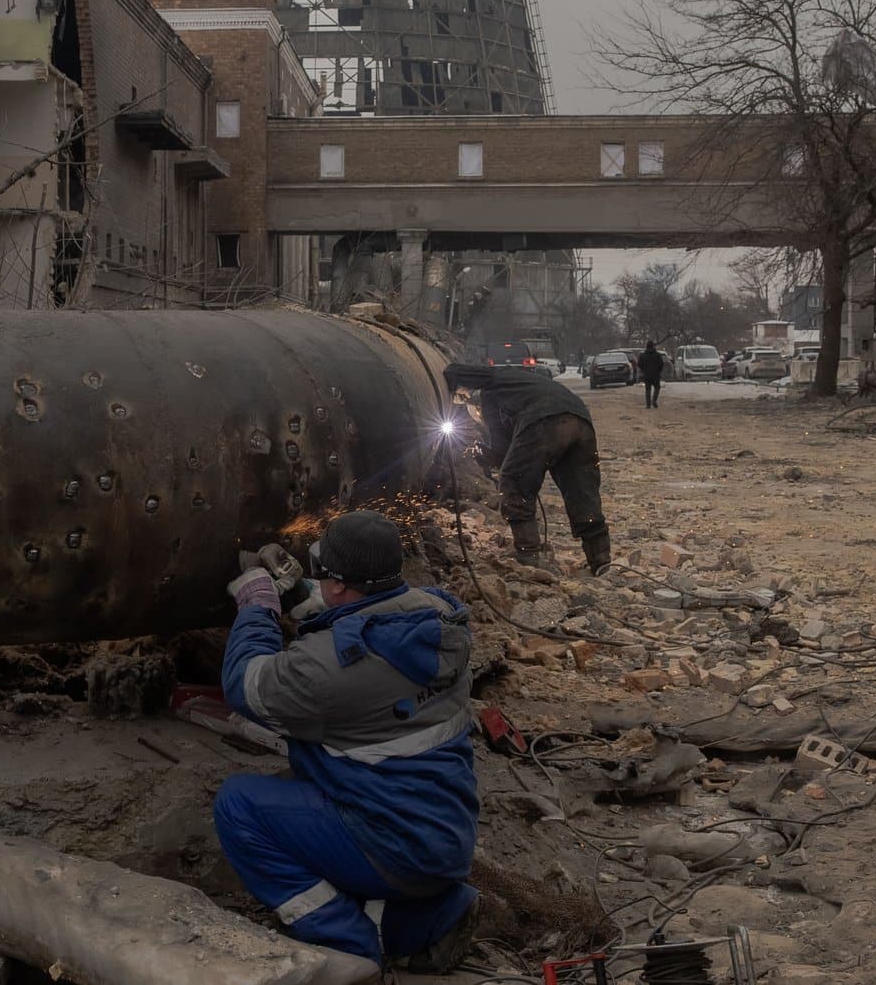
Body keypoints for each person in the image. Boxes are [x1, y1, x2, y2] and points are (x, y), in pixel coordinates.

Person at [214, 511, 479, 973]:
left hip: (394, 845)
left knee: (239, 805)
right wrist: (309, 598)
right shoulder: (441, 617)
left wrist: (259, 606)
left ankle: (348, 947)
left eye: (321, 573)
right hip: (445, 835)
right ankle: (430, 917)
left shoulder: (331, 670)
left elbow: (246, 685)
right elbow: (373, 619)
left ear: (338, 583)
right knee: (317, 778)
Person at [443, 361, 612, 574]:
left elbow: (505, 455)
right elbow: (514, 452)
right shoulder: (516, 380)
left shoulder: (490, 392)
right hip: (580, 420)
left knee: (514, 483)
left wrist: (481, 454)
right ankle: (600, 559)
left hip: (544, 420)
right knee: (581, 492)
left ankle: (527, 554)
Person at [636, 340, 666, 409]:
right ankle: (654, 400)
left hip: (647, 374)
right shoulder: (657, 355)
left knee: (648, 389)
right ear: (653, 346)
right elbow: (661, 364)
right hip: (656, 374)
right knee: (657, 387)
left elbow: (639, 364)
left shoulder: (643, 355)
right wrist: (658, 371)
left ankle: (648, 404)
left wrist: (644, 370)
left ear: (646, 346)